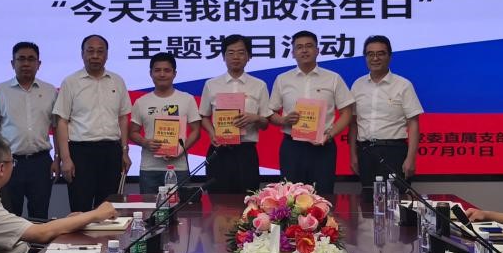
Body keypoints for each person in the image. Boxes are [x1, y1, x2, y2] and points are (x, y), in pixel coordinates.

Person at [0, 133, 120, 253]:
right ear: (1, 168)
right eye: (12, 162)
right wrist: (95, 214)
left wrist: (66, 222)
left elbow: (19, 227)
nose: (13, 167)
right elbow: (41, 234)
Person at [269, 30, 355, 194]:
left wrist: (329, 135)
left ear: (317, 50)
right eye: (299, 47)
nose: (304, 50)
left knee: (323, 195)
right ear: (293, 53)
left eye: (309, 46)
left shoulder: (333, 78)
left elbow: (347, 112)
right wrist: (284, 120)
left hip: (323, 147)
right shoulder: (282, 79)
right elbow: (270, 113)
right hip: (292, 147)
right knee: (291, 196)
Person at [54, 34, 133, 210]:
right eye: (90, 51)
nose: (95, 56)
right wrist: (65, 158)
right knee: (80, 208)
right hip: (81, 153)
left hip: (111, 152)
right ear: (82, 54)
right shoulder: (71, 82)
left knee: (108, 209)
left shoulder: (117, 81)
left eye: (100, 51)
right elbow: (62, 121)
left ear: (107, 54)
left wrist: (124, 151)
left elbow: (122, 118)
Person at [0, 41, 57, 220]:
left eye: (31, 59)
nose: (26, 63)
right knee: (10, 215)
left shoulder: (50, 91)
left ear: (39, 64)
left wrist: (58, 158)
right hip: (9, 163)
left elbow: (56, 127)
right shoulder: (0, 91)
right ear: (12, 63)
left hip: (41, 163)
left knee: (40, 215)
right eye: (21, 59)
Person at [348, 34, 423, 190]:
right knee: (368, 200)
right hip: (365, 152)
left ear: (389, 56)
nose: (375, 58)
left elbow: (413, 123)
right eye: (370, 54)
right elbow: (353, 124)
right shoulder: (357, 85)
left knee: (396, 200)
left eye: (380, 53)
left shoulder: (403, 85)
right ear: (365, 57)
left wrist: (411, 159)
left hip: (394, 152)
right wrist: (353, 155)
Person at [199, 33, 271, 196]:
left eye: (241, 52)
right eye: (230, 53)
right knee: (218, 201)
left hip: (246, 152)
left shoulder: (259, 85)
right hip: (219, 151)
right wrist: (212, 133)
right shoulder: (211, 84)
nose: (236, 57)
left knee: (249, 200)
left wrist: (255, 118)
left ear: (249, 56)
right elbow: (204, 116)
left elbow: (265, 123)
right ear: (223, 57)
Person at [128, 52, 201, 195]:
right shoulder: (141, 102)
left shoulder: (187, 99)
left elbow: (196, 131)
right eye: (157, 70)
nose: (162, 74)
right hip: (149, 169)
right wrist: (145, 142)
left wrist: (180, 150)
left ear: (174, 74)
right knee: (149, 208)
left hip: (179, 168)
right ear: (150, 73)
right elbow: (132, 132)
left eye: (167, 70)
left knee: (181, 208)